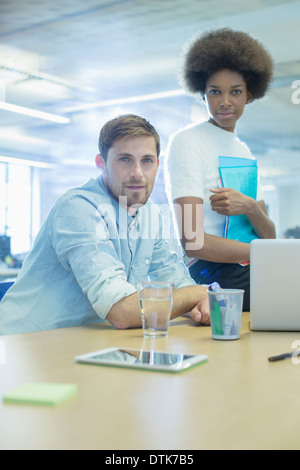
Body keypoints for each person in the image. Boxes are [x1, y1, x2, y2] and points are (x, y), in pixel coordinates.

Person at [0, 114, 209, 335]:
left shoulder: (150, 215)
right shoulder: (78, 208)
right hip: (21, 345)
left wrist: (198, 301)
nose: (137, 173)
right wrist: (199, 294)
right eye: (125, 159)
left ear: (157, 165)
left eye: (146, 160)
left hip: (82, 341)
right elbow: (121, 311)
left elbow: (175, 280)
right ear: (101, 164)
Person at [165, 28, 276, 311]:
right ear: (202, 94)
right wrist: (264, 254)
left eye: (235, 92)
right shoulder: (187, 141)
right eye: (215, 92)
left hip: (249, 267)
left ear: (250, 95)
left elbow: (269, 234)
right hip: (211, 271)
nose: (225, 101)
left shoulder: (243, 150)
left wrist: (250, 207)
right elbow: (192, 242)